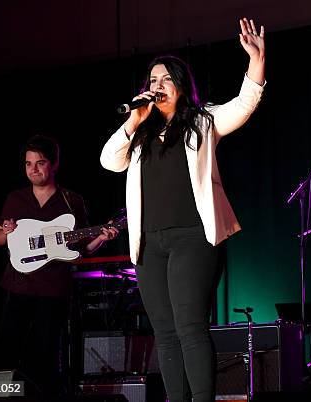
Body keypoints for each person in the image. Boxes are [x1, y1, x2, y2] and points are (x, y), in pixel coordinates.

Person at [100, 17, 265, 402]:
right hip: (149, 244)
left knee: (190, 326)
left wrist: (256, 60)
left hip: (194, 237)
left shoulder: (202, 121)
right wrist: (131, 121)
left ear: (179, 86)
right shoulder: (138, 133)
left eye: (164, 80)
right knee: (165, 332)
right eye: (151, 81)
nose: (156, 87)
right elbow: (109, 161)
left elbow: (244, 104)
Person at [0, 135, 119, 400]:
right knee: (4, 349)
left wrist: (100, 238)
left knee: (46, 354)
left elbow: (80, 251)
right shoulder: (15, 198)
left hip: (54, 289)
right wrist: (4, 231)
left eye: (40, 163)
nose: (33, 169)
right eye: (28, 164)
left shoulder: (72, 202)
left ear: (54, 164)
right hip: (18, 283)